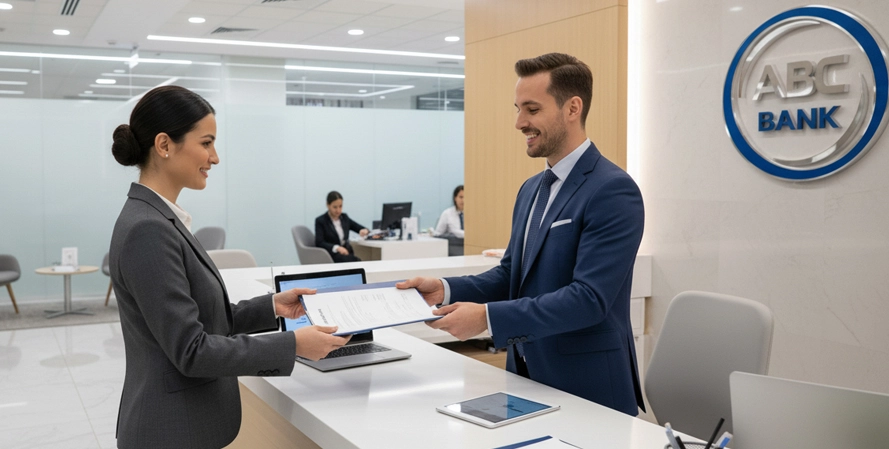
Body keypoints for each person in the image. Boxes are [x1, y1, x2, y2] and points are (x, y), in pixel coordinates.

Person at [398, 53, 646, 416]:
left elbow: (589, 299)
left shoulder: (613, 190)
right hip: (525, 378)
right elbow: (510, 274)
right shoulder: (531, 189)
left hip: (589, 387)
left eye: (531, 109)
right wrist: (446, 289)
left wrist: (487, 318)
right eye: (517, 108)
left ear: (572, 108)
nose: (519, 122)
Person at [108, 85, 350, 449]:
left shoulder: (159, 218)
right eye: (206, 143)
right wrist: (292, 344)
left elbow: (204, 320)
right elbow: (191, 350)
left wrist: (272, 306)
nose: (215, 157)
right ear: (164, 145)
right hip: (170, 431)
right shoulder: (148, 229)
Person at [314, 191, 369, 263]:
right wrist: (337, 248)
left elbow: (360, 228)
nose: (338, 210)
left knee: (357, 261)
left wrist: (364, 231)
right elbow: (319, 242)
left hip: (346, 252)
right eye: (335, 207)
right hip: (331, 254)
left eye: (340, 206)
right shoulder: (321, 221)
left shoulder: (344, 218)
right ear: (328, 205)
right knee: (356, 262)